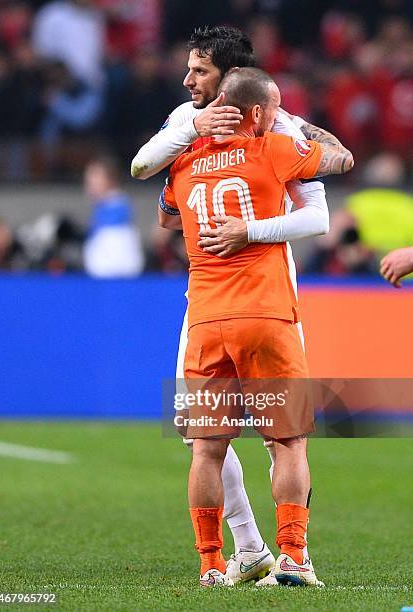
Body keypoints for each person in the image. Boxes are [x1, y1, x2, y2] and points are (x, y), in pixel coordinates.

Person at [132, 25, 343, 585]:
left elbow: (313, 217)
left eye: (199, 70)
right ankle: (260, 549)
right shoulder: (189, 122)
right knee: (259, 436)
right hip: (238, 303)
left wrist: (247, 228)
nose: (188, 80)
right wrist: (194, 129)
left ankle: (225, 557)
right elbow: (143, 166)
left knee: (208, 439)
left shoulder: (277, 121)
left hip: (233, 298)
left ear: (230, 78)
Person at [83, 156, 144, 277]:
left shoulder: (118, 205)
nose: (90, 184)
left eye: (95, 178)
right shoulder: (100, 209)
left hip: (116, 274)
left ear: (110, 180)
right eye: (88, 180)